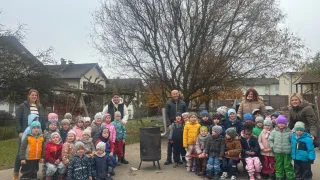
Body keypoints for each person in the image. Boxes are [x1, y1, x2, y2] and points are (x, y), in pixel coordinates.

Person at [14, 89, 45, 180]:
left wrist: (41, 130)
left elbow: (42, 119)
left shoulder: (40, 106)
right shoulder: (22, 106)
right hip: (25, 132)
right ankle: (16, 173)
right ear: (29, 95)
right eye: (32, 95)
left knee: (34, 151)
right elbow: (17, 120)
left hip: (36, 132)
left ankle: (31, 173)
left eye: (36, 95)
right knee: (21, 151)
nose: (34, 96)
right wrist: (20, 131)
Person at [102, 91, 129, 164]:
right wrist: (106, 122)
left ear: (119, 98)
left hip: (120, 126)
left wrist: (123, 120)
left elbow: (126, 114)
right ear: (112, 98)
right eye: (114, 97)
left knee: (121, 144)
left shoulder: (123, 105)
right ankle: (113, 159)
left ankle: (122, 158)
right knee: (112, 144)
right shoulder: (108, 106)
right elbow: (103, 114)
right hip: (111, 127)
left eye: (117, 97)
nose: (116, 98)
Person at [164, 90, 187, 165]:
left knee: (180, 142)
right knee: (170, 142)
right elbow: (166, 114)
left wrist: (185, 123)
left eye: (176, 94)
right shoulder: (168, 103)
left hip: (181, 125)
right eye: (173, 94)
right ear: (171, 95)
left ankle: (180, 158)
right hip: (172, 125)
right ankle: (168, 159)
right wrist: (168, 124)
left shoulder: (183, 103)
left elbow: (186, 114)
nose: (175, 95)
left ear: (178, 94)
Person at [268, 115, 294, 180]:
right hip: (277, 151)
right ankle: (279, 176)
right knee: (278, 165)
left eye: (283, 123)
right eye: (279, 123)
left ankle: (289, 177)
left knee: (287, 165)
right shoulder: (274, 131)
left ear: (285, 124)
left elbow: (292, 141)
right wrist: (272, 146)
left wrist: (291, 148)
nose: (281, 125)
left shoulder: (289, 132)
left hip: (287, 152)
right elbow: (270, 139)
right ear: (277, 124)